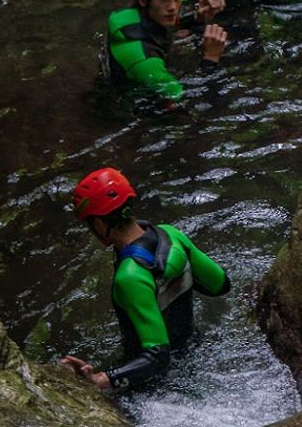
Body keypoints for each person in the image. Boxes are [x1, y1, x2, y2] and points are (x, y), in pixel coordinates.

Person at [58, 166, 230, 394]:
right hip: (194, 349)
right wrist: (176, 279)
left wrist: (101, 379)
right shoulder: (171, 235)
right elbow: (220, 284)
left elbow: (157, 357)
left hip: (154, 386)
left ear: (99, 224)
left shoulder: (130, 276)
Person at [103, 0, 228, 104]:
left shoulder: (130, 16)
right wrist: (211, 58)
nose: (173, 7)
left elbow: (156, 30)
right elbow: (186, 98)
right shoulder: (146, 61)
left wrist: (196, 20)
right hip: (132, 110)